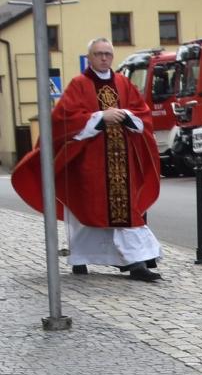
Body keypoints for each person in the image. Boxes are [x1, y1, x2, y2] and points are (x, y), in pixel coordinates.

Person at [11, 37, 162, 280]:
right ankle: (80, 258)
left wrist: (124, 115)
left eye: (107, 54)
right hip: (90, 163)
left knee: (127, 212)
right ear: (89, 57)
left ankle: (137, 264)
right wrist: (100, 117)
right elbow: (63, 119)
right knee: (87, 212)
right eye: (98, 54)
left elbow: (142, 114)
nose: (104, 58)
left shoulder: (123, 83)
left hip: (122, 164)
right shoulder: (79, 84)